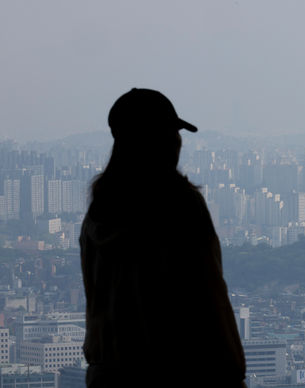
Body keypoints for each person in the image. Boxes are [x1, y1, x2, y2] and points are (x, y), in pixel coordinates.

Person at [80, 88, 246, 387]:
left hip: (108, 374)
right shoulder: (179, 205)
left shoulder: (99, 212)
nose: (178, 141)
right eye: (171, 133)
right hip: (173, 372)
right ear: (157, 141)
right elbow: (209, 297)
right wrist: (231, 371)